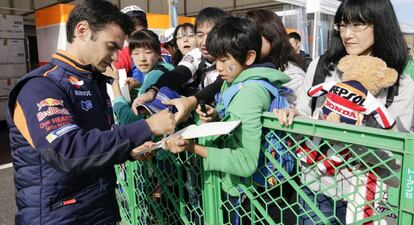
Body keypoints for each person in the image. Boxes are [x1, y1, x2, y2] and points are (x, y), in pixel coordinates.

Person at [6, 1, 175, 224]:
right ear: (82, 30)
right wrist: (147, 126)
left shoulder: (92, 81)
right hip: (58, 216)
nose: (116, 57)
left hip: (98, 209)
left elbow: (93, 143)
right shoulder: (40, 87)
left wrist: (127, 151)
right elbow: (67, 151)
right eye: (111, 46)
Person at [276, 0, 414, 224]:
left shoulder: (399, 82)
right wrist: (292, 117)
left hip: (369, 197)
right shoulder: (322, 67)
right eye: (342, 25)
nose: (347, 34)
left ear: (380, 24)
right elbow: (302, 112)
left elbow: (397, 150)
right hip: (316, 186)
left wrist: (355, 128)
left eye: (357, 25)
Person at [163, 16, 291, 225]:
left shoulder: (249, 93)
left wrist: (192, 147)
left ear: (249, 57)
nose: (218, 67)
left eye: (224, 60)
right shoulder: (237, 82)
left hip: (252, 199)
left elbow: (246, 161)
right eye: (216, 60)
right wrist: (216, 115)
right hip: (254, 195)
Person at [163, 9, 306, 124]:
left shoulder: (291, 75)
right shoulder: (244, 71)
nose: (246, 38)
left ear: (272, 36)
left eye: (254, 34)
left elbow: (300, 117)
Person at [131, 7, 227, 116]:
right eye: (200, 35)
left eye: (211, 35)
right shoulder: (196, 54)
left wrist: (190, 102)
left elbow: (218, 84)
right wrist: (152, 91)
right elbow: (178, 74)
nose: (204, 42)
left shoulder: (230, 58)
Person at [107, 29, 175, 125]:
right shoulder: (166, 68)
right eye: (136, 53)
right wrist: (139, 86)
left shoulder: (155, 75)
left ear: (159, 53)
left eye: (148, 52)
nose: (142, 59)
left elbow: (129, 121)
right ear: (131, 56)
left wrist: (114, 84)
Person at [114, 5, 148, 90]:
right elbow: (117, 85)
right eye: (132, 31)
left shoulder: (160, 49)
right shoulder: (123, 54)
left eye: (141, 31)